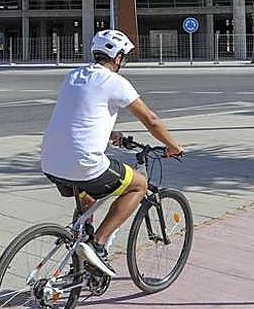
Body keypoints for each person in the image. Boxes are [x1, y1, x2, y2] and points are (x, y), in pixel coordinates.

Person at [40, 29, 184, 277]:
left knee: (88, 198)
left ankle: (79, 256)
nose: (123, 63)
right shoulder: (114, 82)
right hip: (83, 164)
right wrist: (174, 147)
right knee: (139, 185)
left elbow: (79, 115)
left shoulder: (73, 76)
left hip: (50, 162)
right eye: (124, 58)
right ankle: (97, 245)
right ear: (117, 57)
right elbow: (150, 119)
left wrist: (109, 135)